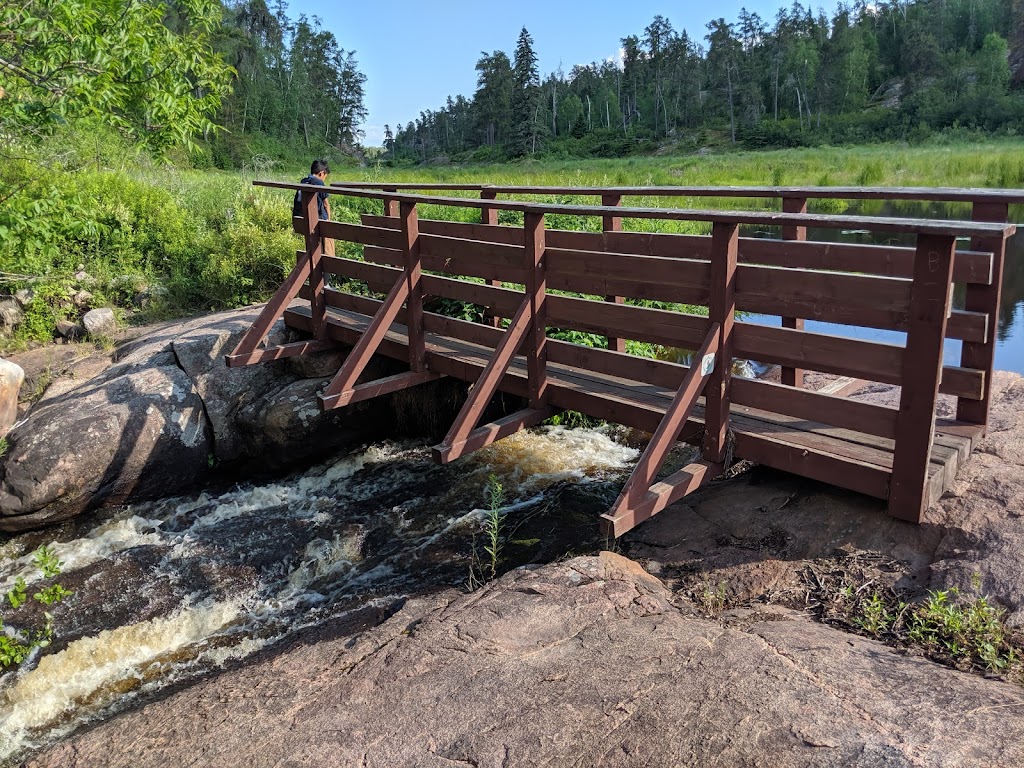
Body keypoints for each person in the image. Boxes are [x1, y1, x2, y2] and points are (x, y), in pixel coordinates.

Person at [293, 159, 335, 255]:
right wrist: (329, 220)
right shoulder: (318, 183)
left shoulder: (304, 181)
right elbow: (326, 204)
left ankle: (316, 264)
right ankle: (328, 268)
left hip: (306, 221)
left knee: (314, 248)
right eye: (325, 177)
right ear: (321, 173)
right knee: (328, 249)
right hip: (319, 221)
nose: (324, 180)